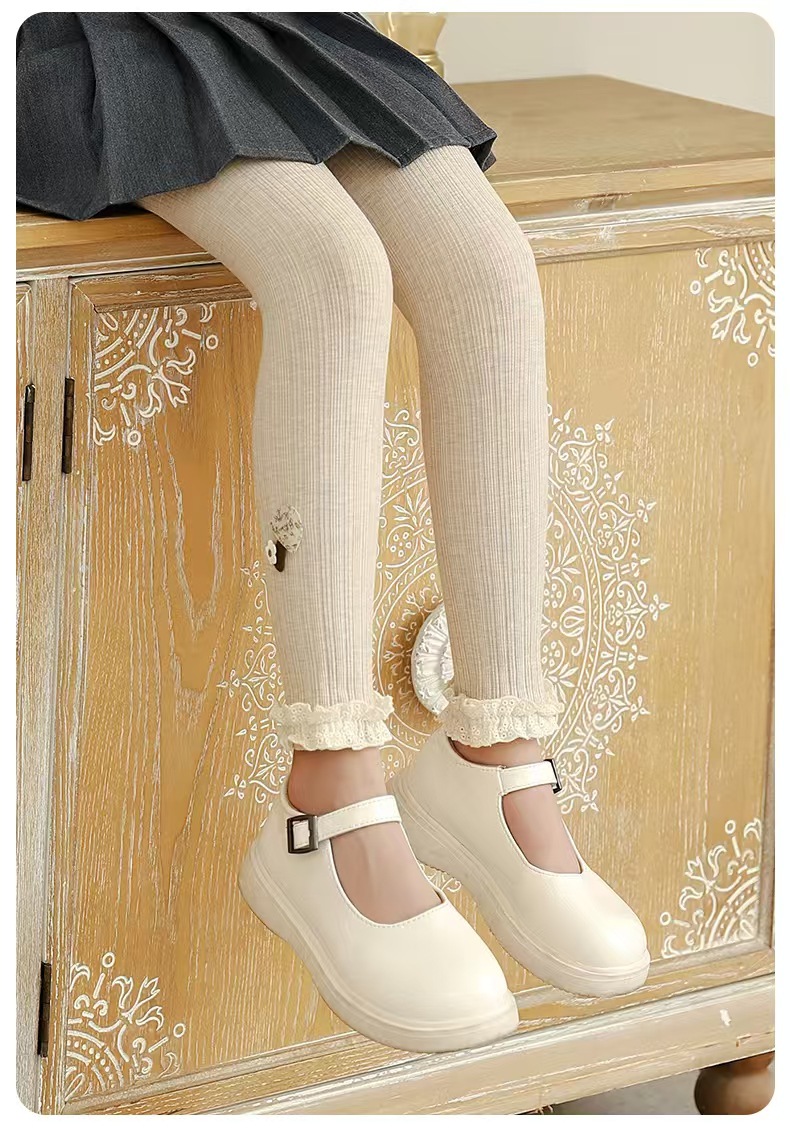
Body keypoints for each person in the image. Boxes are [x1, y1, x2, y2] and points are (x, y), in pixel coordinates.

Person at [17, 12, 649, 1054]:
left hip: (277, 26)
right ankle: (328, 791)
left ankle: (496, 752)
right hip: (89, 40)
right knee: (334, 274)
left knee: (489, 270)